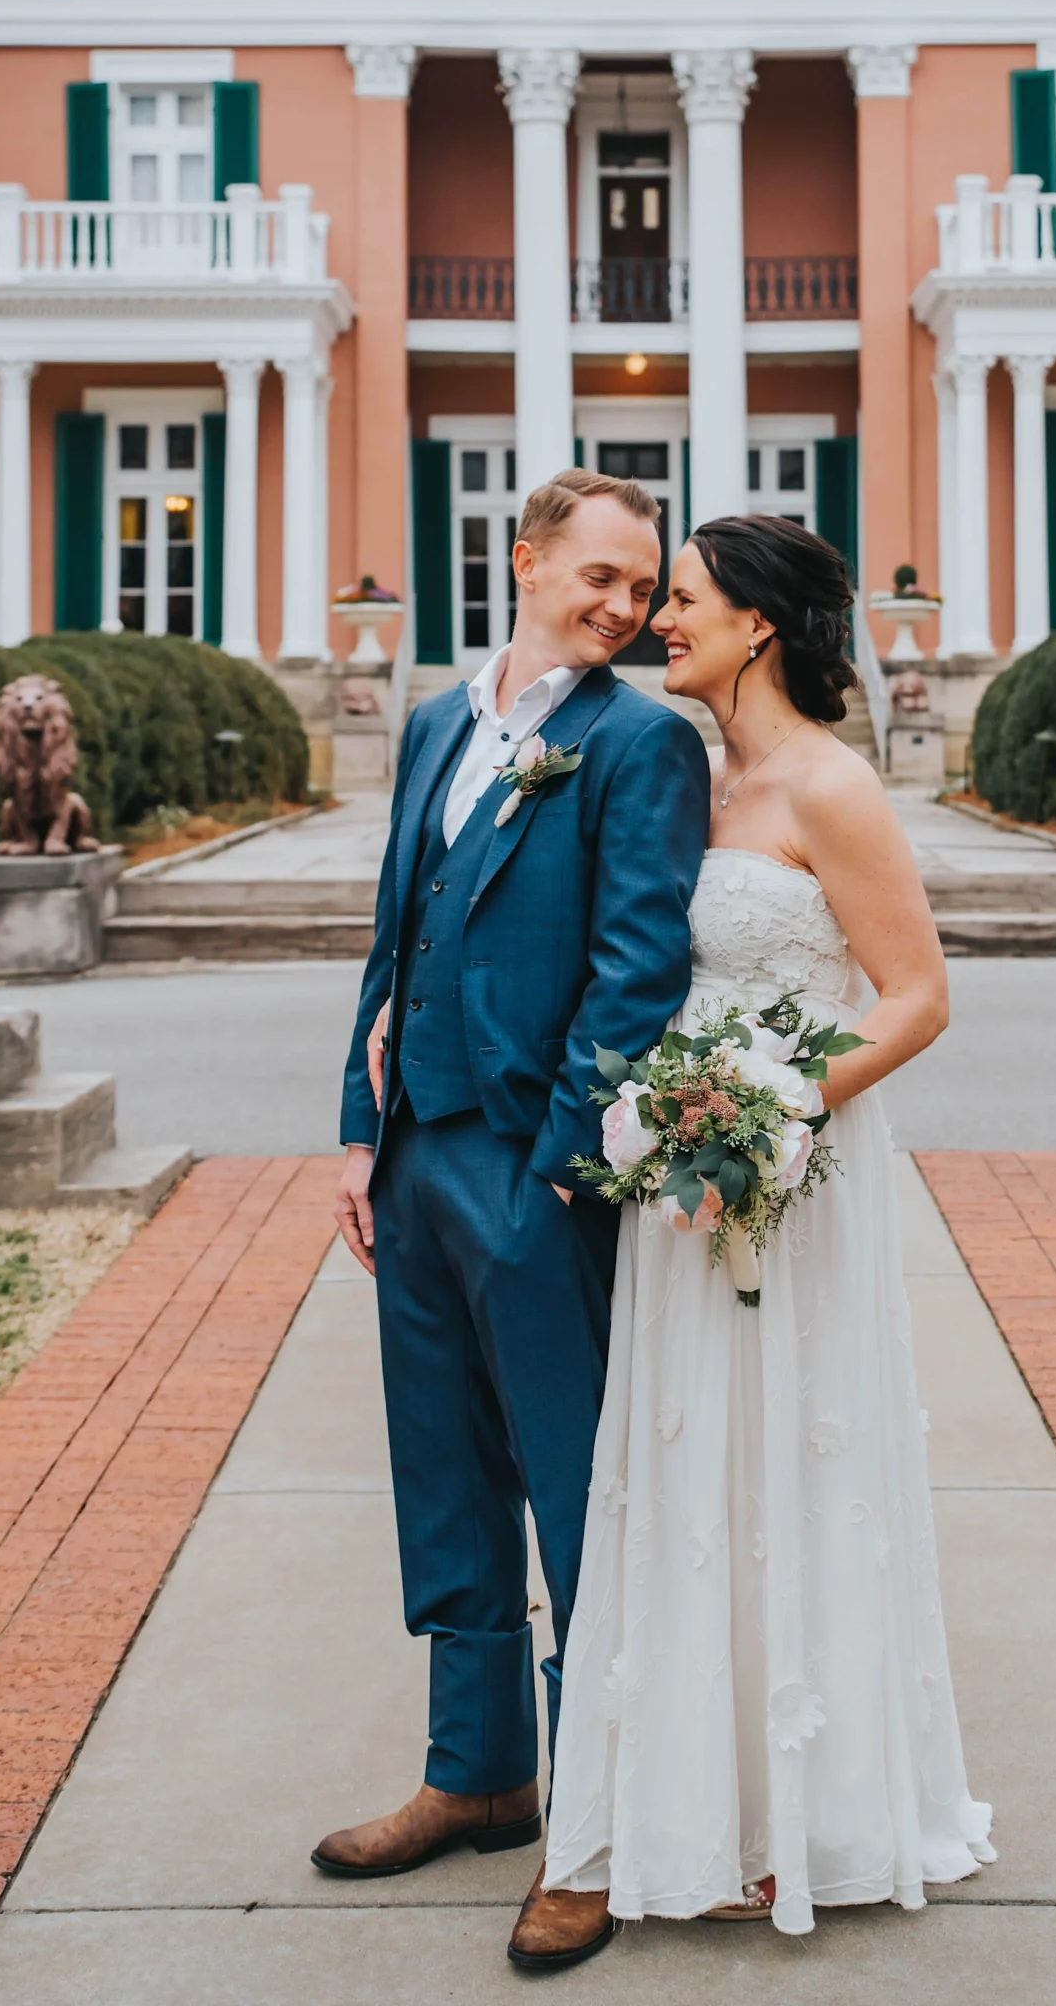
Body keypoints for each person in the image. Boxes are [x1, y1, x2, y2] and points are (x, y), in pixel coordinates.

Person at [543, 514, 994, 1941]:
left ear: (761, 628)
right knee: (692, 1482)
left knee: (796, 1471)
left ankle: (811, 1813)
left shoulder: (828, 786)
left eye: (682, 601)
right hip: (685, 1179)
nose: (657, 620)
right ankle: (700, 1800)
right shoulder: (693, 778)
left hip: (790, 1176)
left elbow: (915, 997)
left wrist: (771, 1110)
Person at [312, 468, 710, 1977]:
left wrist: (562, 1165)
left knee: (572, 1492)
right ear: (526, 556)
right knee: (446, 1473)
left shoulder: (641, 743)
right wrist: (359, 1135)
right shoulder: (431, 722)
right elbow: (390, 940)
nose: (622, 608)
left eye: (641, 586)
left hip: (537, 1168)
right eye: (598, 576)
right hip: (413, 1155)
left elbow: (638, 971)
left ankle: (596, 1830)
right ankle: (478, 1771)